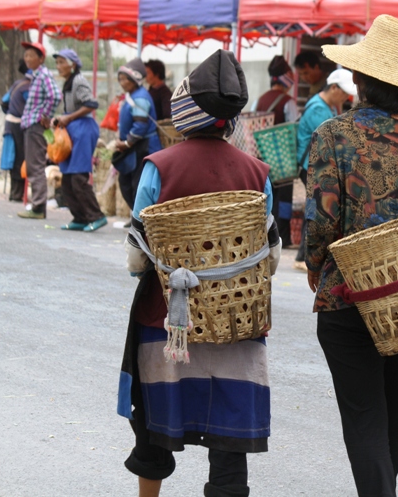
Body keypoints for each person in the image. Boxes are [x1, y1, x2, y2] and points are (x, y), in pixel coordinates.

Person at [119, 50, 281, 497]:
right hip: (238, 324)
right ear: (230, 117)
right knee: (229, 444)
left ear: (184, 112)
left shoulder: (158, 167)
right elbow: (269, 258)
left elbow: (137, 259)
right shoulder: (257, 173)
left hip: (169, 326)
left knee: (153, 427)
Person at [305, 14, 398, 497]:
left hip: (349, 296)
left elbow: (321, 219)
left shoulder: (333, 135)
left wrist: (313, 264)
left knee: (366, 420)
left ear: (360, 79)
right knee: (390, 419)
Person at [293, 68, 357, 272]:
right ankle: (303, 256)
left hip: (315, 165)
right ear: (334, 87)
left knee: (315, 206)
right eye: (344, 92)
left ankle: (305, 255)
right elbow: (329, 139)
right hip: (311, 165)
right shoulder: (319, 109)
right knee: (314, 207)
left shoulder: (326, 106)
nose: (346, 97)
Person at [51, 49, 106, 232]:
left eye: (61, 62)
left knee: (78, 177)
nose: (58, 66)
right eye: (57, 62)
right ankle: (80, 217)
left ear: (72, 65)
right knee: (66, 177)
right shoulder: (68, 82)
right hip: (72, 130)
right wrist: (60, 119)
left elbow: (91, 104)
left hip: (83, 130)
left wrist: (69, 117)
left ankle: (96, 216)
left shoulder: (79, 80)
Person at [254, 55, 299, 247]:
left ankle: (266, 238)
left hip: (262, 159)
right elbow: (294, 127)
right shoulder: (288, 101)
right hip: (283, 160)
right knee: (284, 200)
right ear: (285, 78)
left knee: (266, 197)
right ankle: (284, 237)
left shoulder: (259, 101)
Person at [111, 58, 162, 211]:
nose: (122, 82)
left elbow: (140, 125)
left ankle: (141, 218)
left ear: (134, 80)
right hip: (134, 148)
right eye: (120, 79)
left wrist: (127, 143)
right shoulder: (133, 95)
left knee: (138, 184)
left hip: (143, 148)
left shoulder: (140, 97)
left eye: (124, 79)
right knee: (127, 182)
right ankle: (137, 216)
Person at [18, 41, 61, 219]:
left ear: (41, 58)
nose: (27, 58)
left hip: (36, 125)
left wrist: (45, 116)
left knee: (35, 166)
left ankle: (37, 207)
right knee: (33, 164)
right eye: (26, 55)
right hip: (31, 124)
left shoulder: (43, 75)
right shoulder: (36, 75)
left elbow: (55, 96)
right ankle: (37, 206)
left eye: (31, 55)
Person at [1, 59, 32, 203]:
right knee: (20, 158)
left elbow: (4, 101)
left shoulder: (16, 84)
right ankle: (18, 194)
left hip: (9, 123)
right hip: (20, 126)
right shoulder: (29, 87)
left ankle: (14, 193)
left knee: (12, 159)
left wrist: (11, 113)